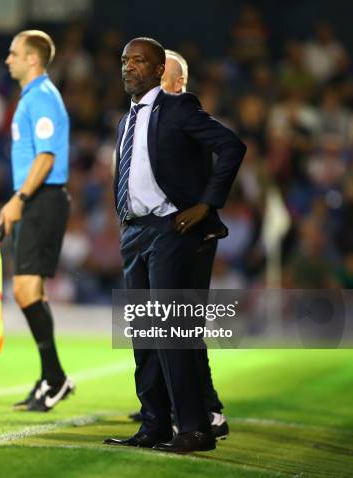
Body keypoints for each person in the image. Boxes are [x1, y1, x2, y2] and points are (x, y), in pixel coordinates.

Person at [103, 38, 245, 453]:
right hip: (135, 231)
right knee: (143, 334)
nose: (129, 67)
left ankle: (196, 428)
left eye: (139, 61)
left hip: (171, 228)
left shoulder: (178, 107)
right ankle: (154, 426)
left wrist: (206, 204)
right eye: (125, 60)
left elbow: (232, 146)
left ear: (159, 67)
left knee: (170, 329)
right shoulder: (125, 119)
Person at [127, 49, 229, 441]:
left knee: (181, 323)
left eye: (160, 76)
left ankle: (207, 410)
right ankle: (169, 408)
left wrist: (204, 209)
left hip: (190, 233)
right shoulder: (147, 119)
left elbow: (218, 157)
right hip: (160, 231)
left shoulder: (185, 113)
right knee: (160, 323)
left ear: (176, 81)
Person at [0, 30, 74, 412]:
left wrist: (19, 199)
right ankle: (51, 378)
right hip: (37, 200)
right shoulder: (32, 98)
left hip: (43, 199)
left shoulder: (42, 98)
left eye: (14, 53)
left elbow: (45, 158)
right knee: (32, 292)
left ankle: (56, 379)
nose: (7, 59)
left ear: (33, 59)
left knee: (26, 290)